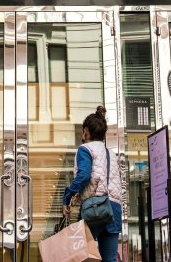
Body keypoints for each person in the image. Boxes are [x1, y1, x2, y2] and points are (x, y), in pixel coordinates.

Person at [61, 105, 122, 262]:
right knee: (110, 259)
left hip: (94, 209)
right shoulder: (111, 154)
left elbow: (84, 176)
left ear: (85, 131)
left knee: (78, 255)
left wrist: (67, 197)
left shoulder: (85, 149)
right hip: (113, 209)